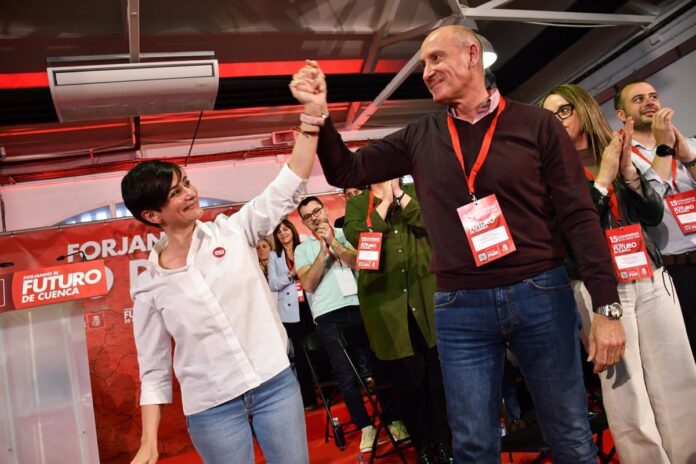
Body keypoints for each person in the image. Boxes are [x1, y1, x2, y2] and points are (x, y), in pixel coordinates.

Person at [291, 26, 626, 463]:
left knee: (570, 435)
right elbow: (346, 171)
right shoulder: (419, 136)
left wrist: (606, 306)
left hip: (540, 293)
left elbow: (579, 217)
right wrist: (318, 114)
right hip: (459, 306)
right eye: (423, 64)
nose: (426, 72)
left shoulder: (537, 124)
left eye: (435, 58)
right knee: (472, 445)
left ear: (471, 55)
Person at [122, 68, 322, 464]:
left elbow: (287, 184)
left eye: (186, 182)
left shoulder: (232, 231)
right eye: (176, 192)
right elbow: (154, 370)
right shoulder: (149, 286)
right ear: (152, 215)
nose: (190, 193)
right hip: (212, 409)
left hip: (274, 384)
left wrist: (313, 113)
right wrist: (149, 441)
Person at [542, 83, 696, 464]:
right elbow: (566, 236)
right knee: (628, 396)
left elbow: (653, 215)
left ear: (583, 109)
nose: (556, 120)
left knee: (679, 378)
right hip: (600, 289)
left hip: (649, 273)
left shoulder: (615, 149)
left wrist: (628, 173)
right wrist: (601, 182)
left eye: (563, 110)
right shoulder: (547, 172)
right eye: (549, 115)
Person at [343, 178, 451, 464]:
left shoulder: (415, 191)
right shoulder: (358, 203)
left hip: (426, 298)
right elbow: (359, 237)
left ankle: (444, 442)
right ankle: (422, 446)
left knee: (437, 377)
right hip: (387, 307)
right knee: (409, 382)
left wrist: (399, 196)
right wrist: (385, 203)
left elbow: (434, 223)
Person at [294, 195, 407, 453]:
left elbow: (360, 262)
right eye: (308, 216)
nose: (314, 218)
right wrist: (323, 251)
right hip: (327, 314)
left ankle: (394, 420)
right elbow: (308, 283)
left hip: (360, 306)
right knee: (346, 375)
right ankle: (365, 426)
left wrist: (334, 242)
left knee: (379, 364)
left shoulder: (347, 233)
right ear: (303, 222)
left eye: (316, 211)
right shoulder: (302, 250)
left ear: (324, 210)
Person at [614, 80, 696, 361]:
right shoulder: (624, 160)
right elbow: (649, 208)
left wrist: (689, 159)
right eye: (638, 99)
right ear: (621, 115)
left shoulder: (690, 145)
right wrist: (664, 148)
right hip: (673, 271)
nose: (649, 102)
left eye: (653, 96)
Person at [267, 219, 317, 410]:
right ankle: (308, 399)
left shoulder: (303, 247)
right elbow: (273, 284)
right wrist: (290, 274)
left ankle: (328, 391)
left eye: (286, 229)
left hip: (310, 305)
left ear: (292, 230)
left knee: (319, 349)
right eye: (279, 231)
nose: (283, 233)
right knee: (301, 355)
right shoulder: (274, 256)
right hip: (290, 312)